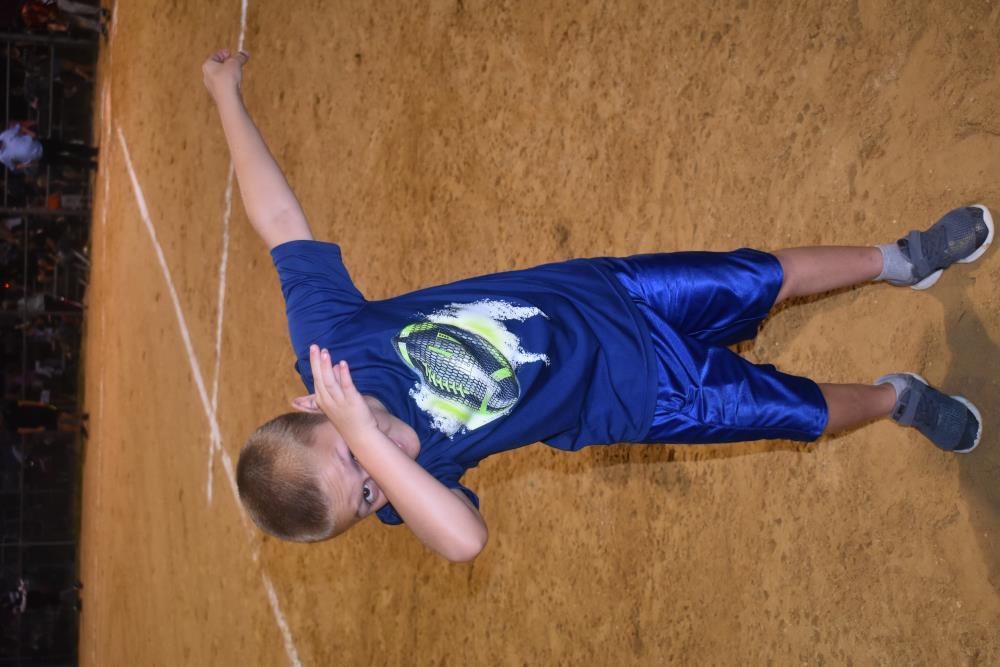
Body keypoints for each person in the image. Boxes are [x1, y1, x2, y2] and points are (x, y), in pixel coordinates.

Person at [203, 49, 992, 562]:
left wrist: (225, 93)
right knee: (797, 412)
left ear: (315, 401)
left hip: (603, 293)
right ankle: (899, 398)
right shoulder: (416, 481)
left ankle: (901, 258)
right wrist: (372, 457)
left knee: (759, 273)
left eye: (350, 455)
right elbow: (464, 540)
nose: (379, 474)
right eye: (366, 495)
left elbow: (278, 221)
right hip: (635, 398)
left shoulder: (329, 340)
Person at [0, 121, 98, 172]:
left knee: (67, 146)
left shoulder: (4, 135)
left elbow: (19, 127)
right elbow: (14, 166)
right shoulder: (2, 157)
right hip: (40, 158)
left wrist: (30, 133)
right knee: (66, 160)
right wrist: (26, 165)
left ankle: (91, 152)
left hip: (41, 143)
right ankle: (90, 165)